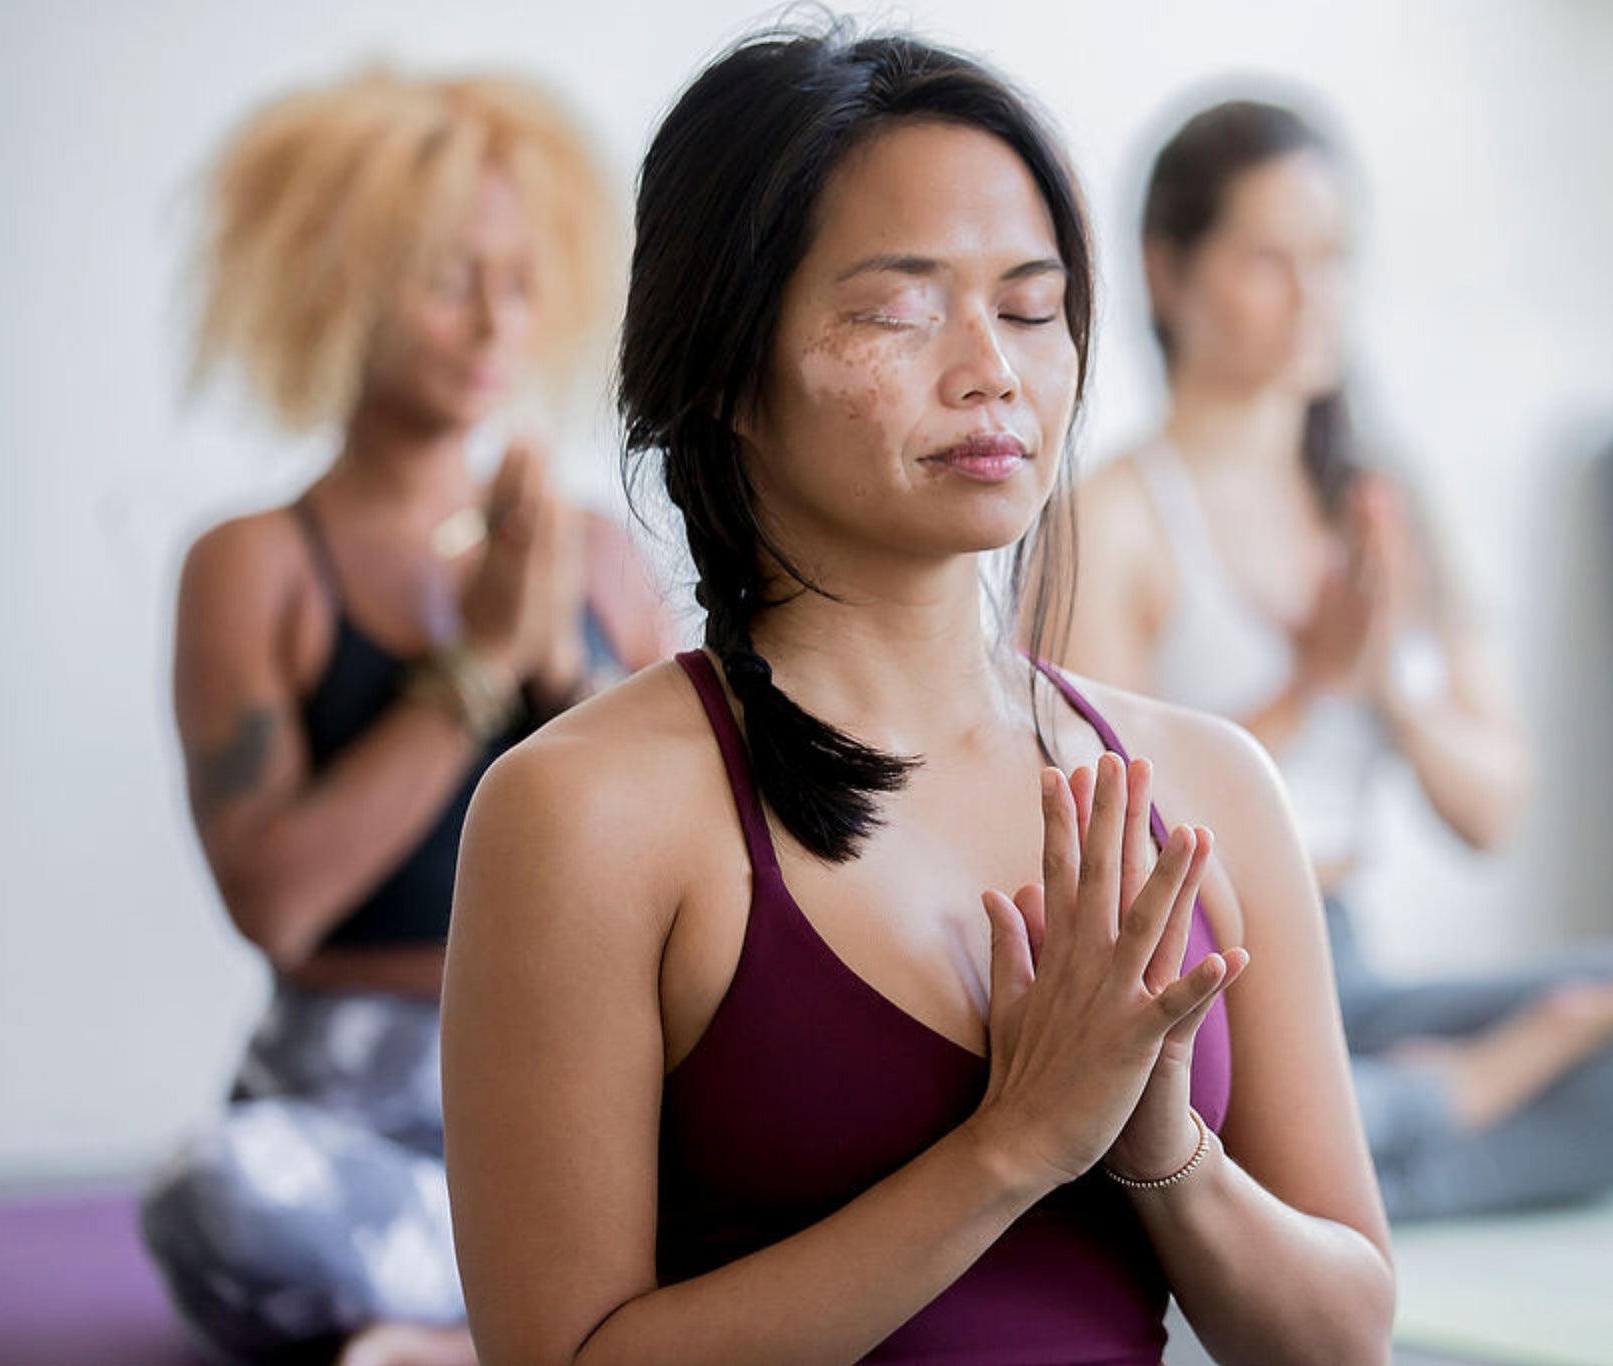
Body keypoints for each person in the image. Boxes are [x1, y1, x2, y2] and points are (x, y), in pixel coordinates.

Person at [441, 28, 1395, 1366]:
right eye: (898, 309)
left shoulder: (1212, 782)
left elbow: (1344, 1340)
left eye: (1028, 307)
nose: (991, 370)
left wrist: (1165, 1152)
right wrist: (1011, 1145)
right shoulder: (586, 812)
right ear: (721, 367)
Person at [1057, 97, 1613, 1221]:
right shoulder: (1110, 517)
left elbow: (1489, 809)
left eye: (1331, 258)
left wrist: (1383, 692)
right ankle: (1419, 1114)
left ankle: (1345, 1159)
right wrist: (1307, 681)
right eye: (1269, 259)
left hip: (1347, 972)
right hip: (1203, 983)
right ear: (1166, 272)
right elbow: (1096, 840)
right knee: (1138, 1105)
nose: (1313, 296)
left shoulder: (1381, 502)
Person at [140, 65, 672, 1366]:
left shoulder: (595, 555)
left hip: (583, 1093)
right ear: (340, 288)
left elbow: (687, 851)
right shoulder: (254, 563)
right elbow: (279, 904)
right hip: (344, 1113)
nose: (497, 321)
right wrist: (476, 663)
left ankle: (471, 1312)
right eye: (447, 279)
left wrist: (560, 668)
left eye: (520, 277)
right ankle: (531, 1299)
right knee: (210, 1194)